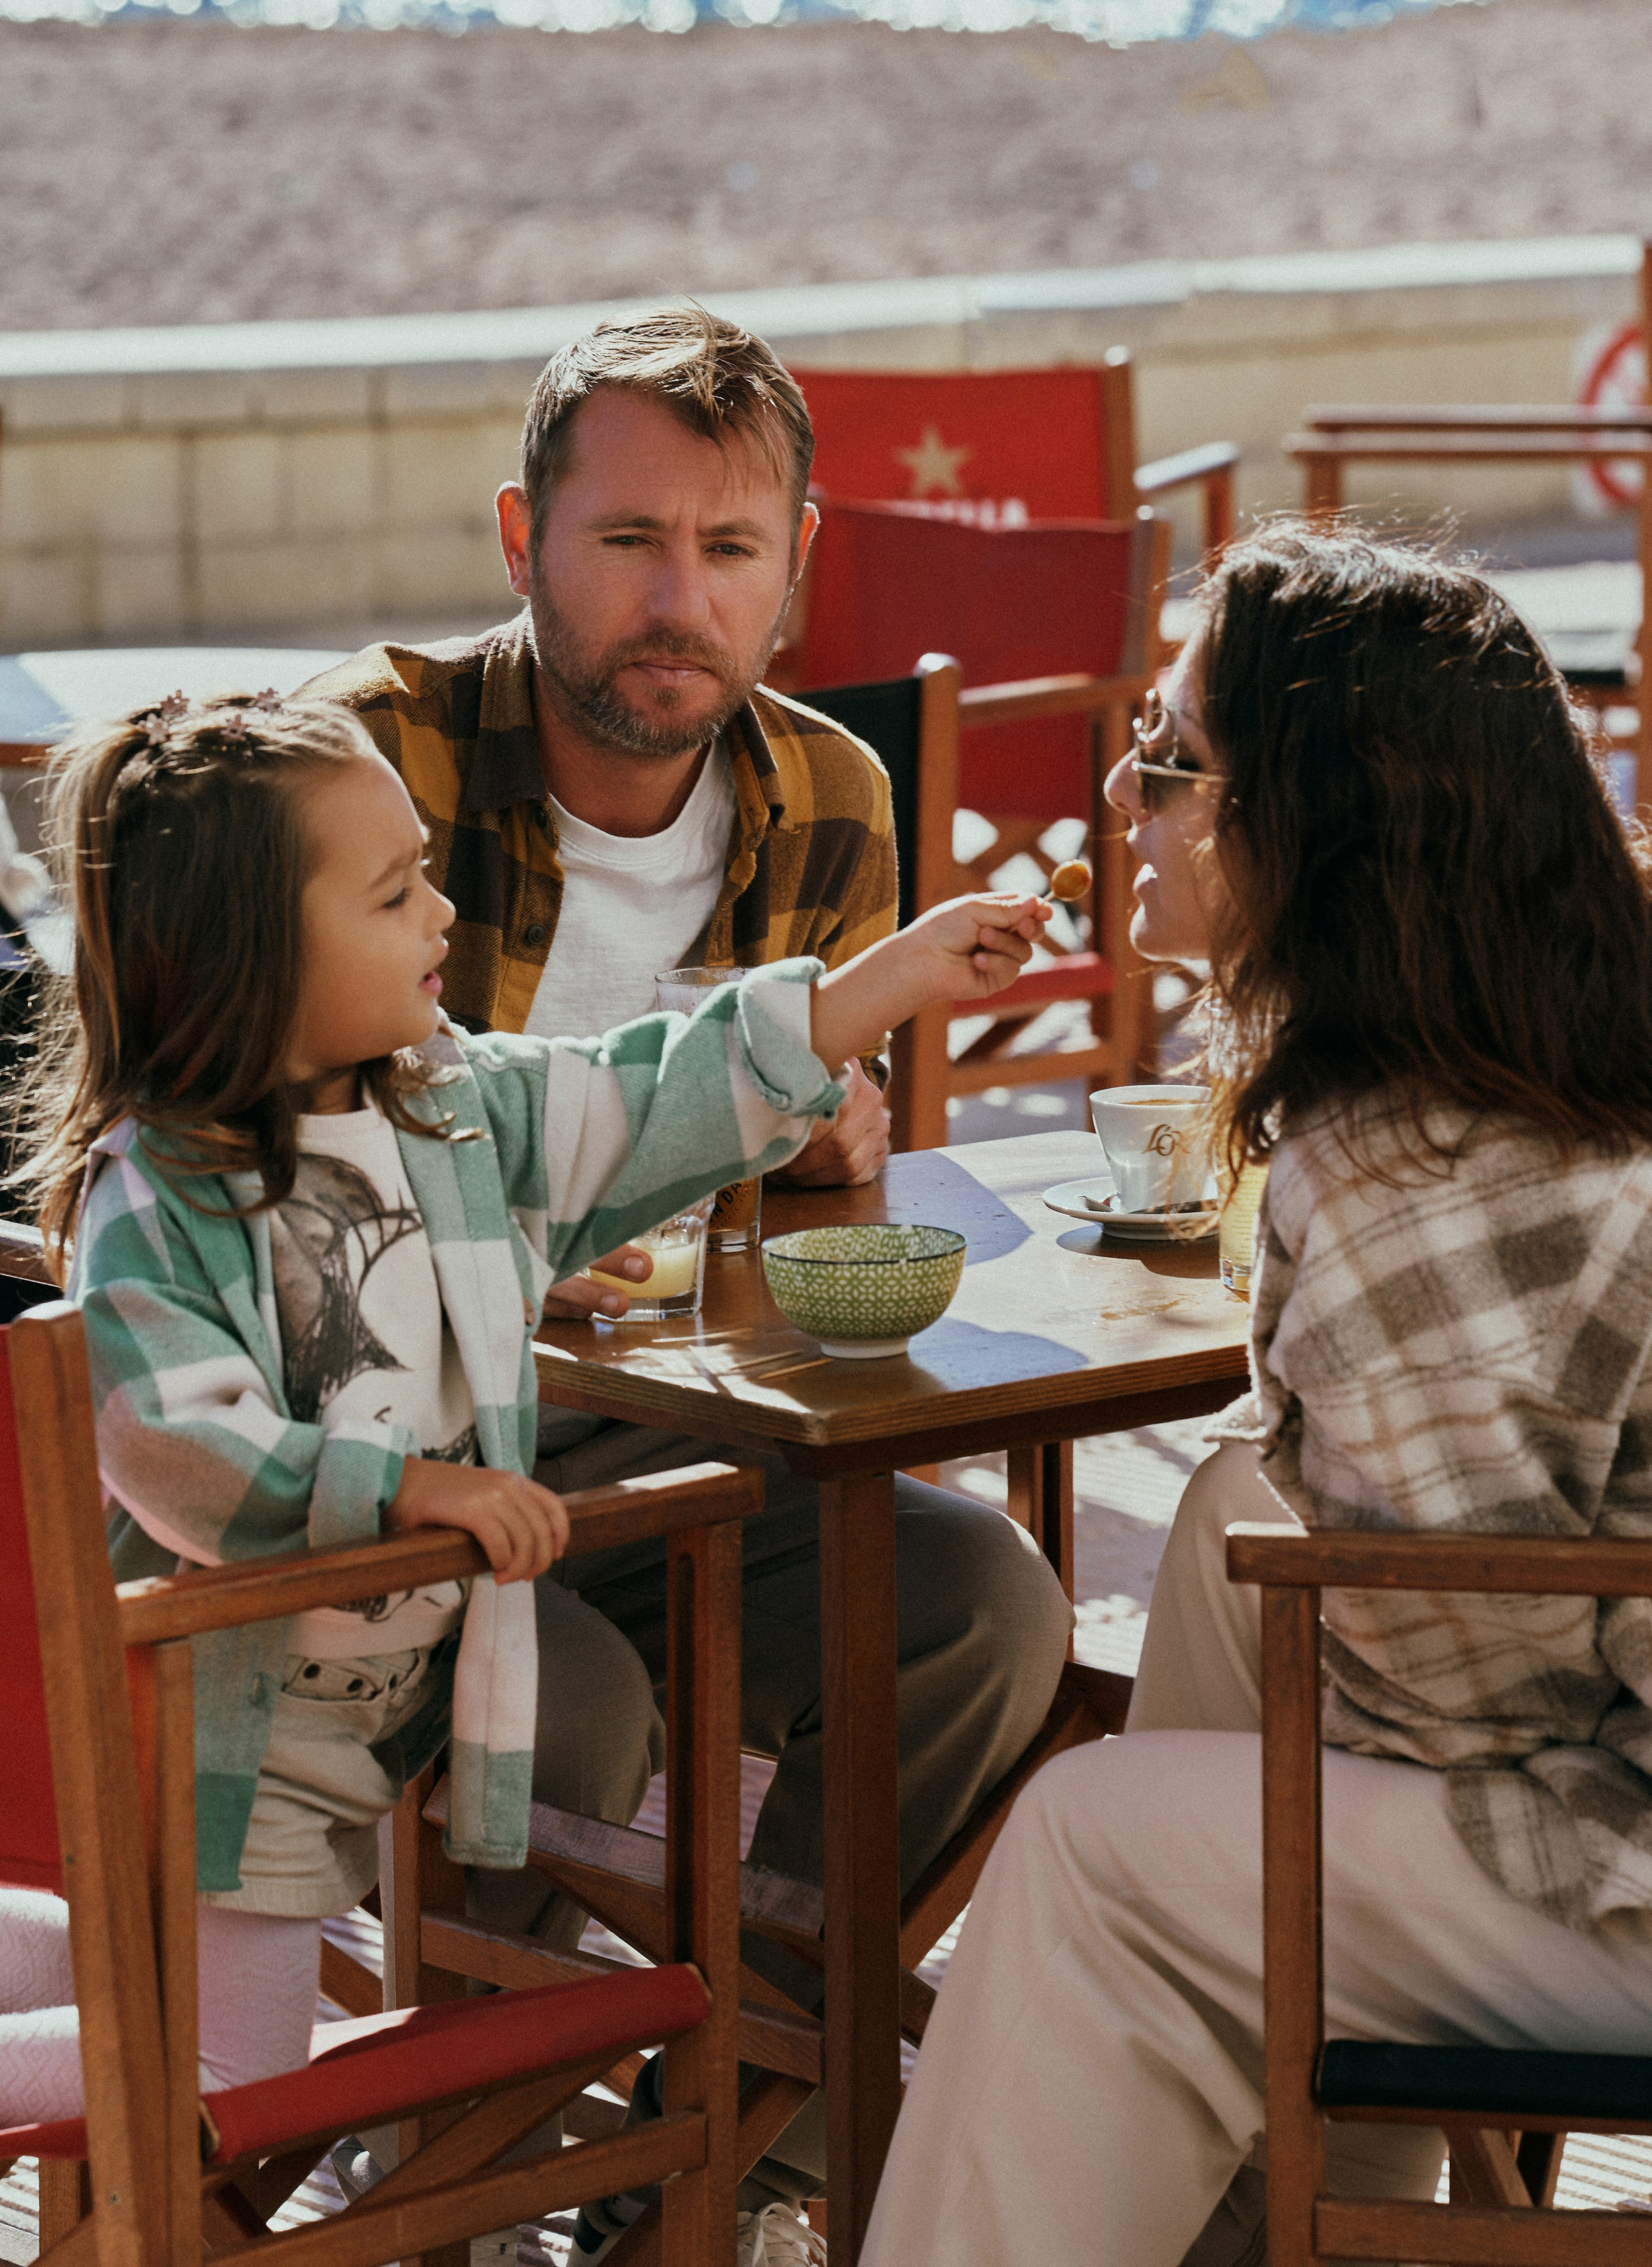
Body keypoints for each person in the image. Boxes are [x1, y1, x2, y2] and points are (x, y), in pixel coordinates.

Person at [21, 688, 1046, 2205]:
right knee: (214, 2077)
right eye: (391, 894)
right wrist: (414, 1488)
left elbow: (654, 1090)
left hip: (408, 1687)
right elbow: (183, 1453)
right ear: (248, 961)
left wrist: (888, 976)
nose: (439, 909)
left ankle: (494, 2187)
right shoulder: (155, 1201)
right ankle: (421, 2188)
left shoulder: (451, 1112)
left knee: (229, 2022)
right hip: (234, 1739)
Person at [306, 305, 1074, 2248]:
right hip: (373, 1471)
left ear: (798, 571)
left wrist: (825, 1158)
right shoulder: (354, 770)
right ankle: (455, 2172)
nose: (680, 598)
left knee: (983, 1607)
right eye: (629, 540)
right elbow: (255, 1169)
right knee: (555, 1709)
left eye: (730, 551)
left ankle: (741, 2163)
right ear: (520, 538)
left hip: (668, 1454)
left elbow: (799, 1203)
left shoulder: (831, 801)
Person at [861, 523, 1652, 2267]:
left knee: (1095, 1853)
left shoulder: (1406, 1173)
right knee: (1236, 1525)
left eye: (1169, 760)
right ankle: (1308, 2227)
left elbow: (1462, 1692)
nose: (1122, 784)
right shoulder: (1571, 1048)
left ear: (1309, 830)